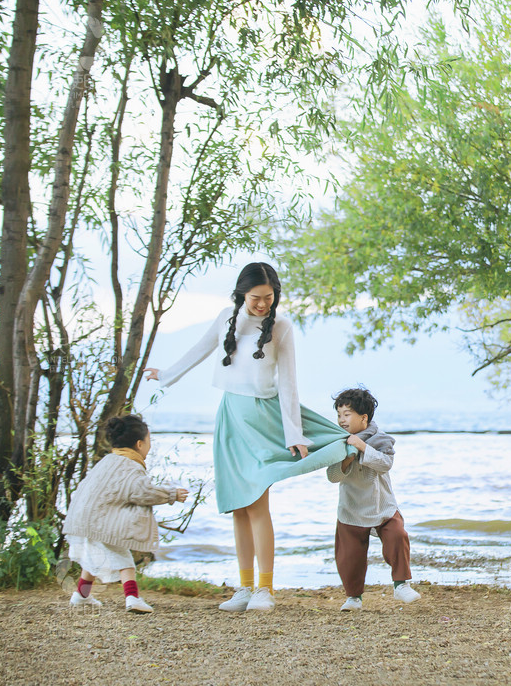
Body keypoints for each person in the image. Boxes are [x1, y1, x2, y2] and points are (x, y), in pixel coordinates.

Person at [143, 262, 351, 612]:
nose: (262, 304)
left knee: (257, 502)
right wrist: (166, 375)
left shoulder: (281, 327)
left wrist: (294, 434)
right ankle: (244, 587)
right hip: (231, 417)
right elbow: (200, 349)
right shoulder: (228, 316)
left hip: (263, 419)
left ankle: (265, 590)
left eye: (268, 297)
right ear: (242, 293)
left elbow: (288, 382)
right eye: (255, 298)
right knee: (240, 506)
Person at [64, 414, 189, 613]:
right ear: (140, 444)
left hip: (81, 517)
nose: (150, 446)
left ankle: (81, 594)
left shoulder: (107, 461)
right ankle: (132, 598)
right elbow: (142, 492)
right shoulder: (130, 467)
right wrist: (171, 494)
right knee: (124, 559)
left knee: (93, 557)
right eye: (150, 441)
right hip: (99, 520)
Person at [328, 388, 420, 611]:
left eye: (347, 414)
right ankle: (353, 597)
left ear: (364, 418)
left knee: (398, 536)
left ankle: (401, 585)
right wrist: (346, 459)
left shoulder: (381, 439)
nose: (342, 420)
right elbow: (332, 476)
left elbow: (385, 463)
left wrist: (361, 447)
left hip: (383, 506)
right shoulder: (337, 443)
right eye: (339, 414)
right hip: (351, 508)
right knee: (349, 555)